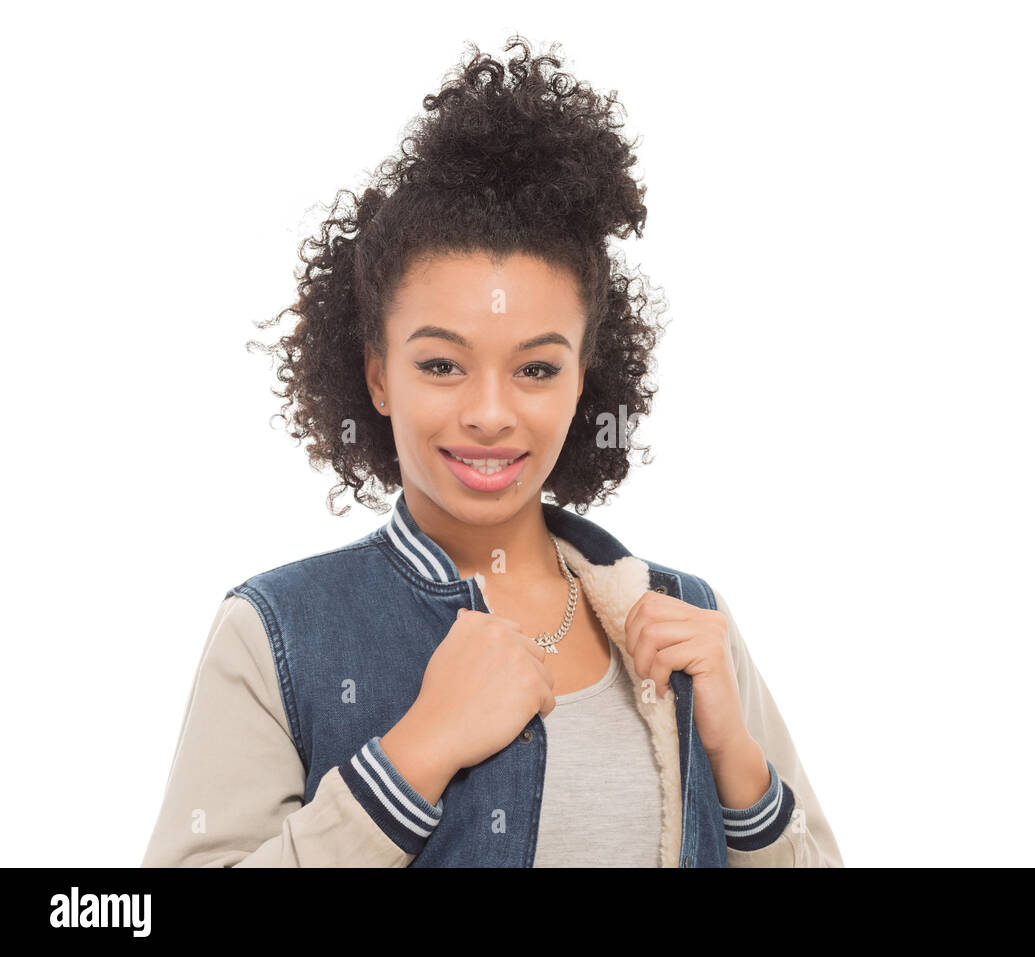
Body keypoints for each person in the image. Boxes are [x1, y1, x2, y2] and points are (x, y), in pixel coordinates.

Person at [142, 35, 841, 868]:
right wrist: (412, 758)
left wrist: (736, 762)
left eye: (537, 368)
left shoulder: (688, 622)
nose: (489, 413)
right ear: (377, 376)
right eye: (441, 364)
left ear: (585, 381)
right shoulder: (276, 633)